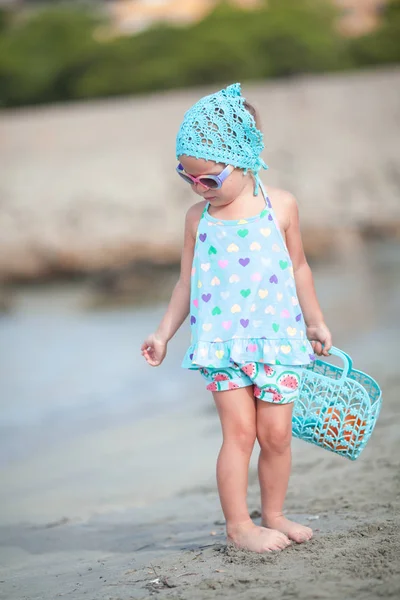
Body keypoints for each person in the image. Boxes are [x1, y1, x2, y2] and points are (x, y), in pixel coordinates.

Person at [141, 83, 332, 553]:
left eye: (208, 179)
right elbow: (186, 284)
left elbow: (299, 267)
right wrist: (164, 333)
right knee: (240, 434)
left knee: (277, 435)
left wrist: (315, 322)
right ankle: (238, 526)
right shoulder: (197, 219)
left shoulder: (280, 206)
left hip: (279, 340)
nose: (197, 187)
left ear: (244, 159)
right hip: (222, 346)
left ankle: (274, 514)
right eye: (187, 178)